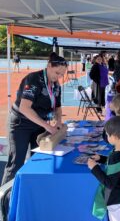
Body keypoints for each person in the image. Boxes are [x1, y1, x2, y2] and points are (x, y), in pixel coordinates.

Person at [2, 52, 67, 185]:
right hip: (21, 124)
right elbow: (24, 108)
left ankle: (30, 190)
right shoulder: (33, 79)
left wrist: (58, 121)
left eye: (62, 74)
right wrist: (48, 126)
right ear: (49, 66)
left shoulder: (56, 85)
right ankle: (6, 201)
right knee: (15, 163)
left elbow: (58, 108)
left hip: (38, 125)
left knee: (38, 159)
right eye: (57, 73)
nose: (59, 77)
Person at [88, 116, 120, 221]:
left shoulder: (115, 157)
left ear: (115, 136)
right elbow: (119, 165)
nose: (106, 137)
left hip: (117, 203)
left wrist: (94, 168)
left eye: (107, 134)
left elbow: (109, 183)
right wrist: (101, 159)